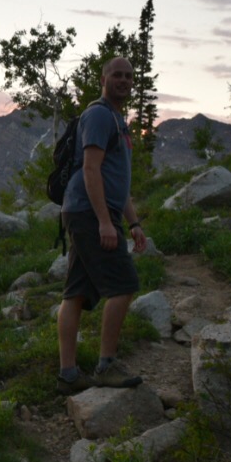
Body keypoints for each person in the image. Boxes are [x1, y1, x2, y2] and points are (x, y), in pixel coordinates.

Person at [57, 55, 147, 392]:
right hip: (89, 213)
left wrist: (134, 223)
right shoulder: (98, 115)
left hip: (89, 212)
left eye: (129, 76)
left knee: (77, 292)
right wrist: (105, 223)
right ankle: (106, 365)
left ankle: (68, 376)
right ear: (103, 79)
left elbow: (117, 180)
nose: (124, 80)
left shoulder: (117, 120)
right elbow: (91, 170)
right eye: (117, 75)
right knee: (123, 286)